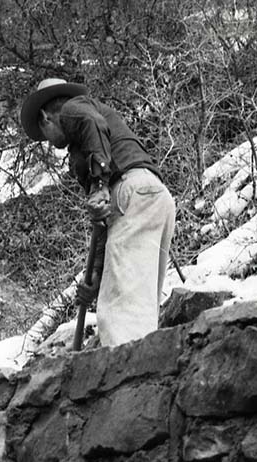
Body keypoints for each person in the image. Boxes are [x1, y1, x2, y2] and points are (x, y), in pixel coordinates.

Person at [20, 77, 176, 347]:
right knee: (138, 302)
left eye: (44, 134)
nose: (48, 141)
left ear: (45, 117)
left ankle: (130, 380)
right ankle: (146, 369)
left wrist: (100, 184)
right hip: (153, 196)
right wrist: (94, 277)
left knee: (120, 313)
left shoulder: (74, 110)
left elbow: (94, 125)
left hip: (130, 192)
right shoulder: (87, 144)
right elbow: (104, 220)